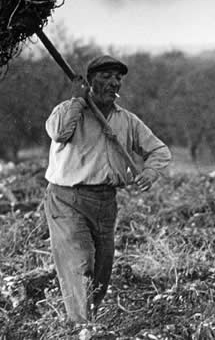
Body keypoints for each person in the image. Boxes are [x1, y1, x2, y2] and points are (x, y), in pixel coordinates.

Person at [43, 54, 172, 323]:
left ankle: (87, 317)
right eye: (105, 76)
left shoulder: (126, 120)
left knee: (102, 270)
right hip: (67, 199)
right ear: (89, 81)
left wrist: (150, 172)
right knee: (81, 264)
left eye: (117, 77)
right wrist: (78, 99)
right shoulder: (67, 112)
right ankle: (81, 327)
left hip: (105, 202)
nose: (113, 82)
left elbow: (159, 150)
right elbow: (59, 134)